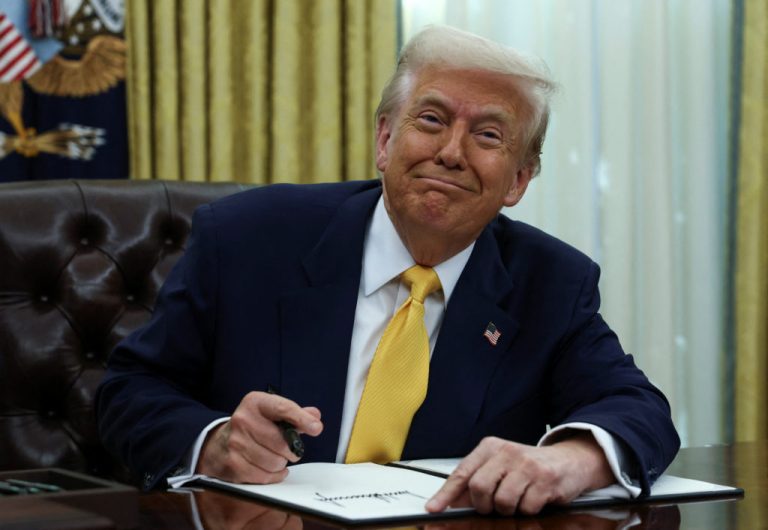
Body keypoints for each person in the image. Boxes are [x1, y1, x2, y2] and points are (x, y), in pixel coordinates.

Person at [96, 26, 679, 516]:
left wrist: (569, 459)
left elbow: (638, 409)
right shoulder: (248, 238)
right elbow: (130, 390)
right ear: (384, 139)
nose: (451, 152)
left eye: (488, 136)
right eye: (430, 119)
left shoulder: (551, 281)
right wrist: (212, 443)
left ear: (520, 181)